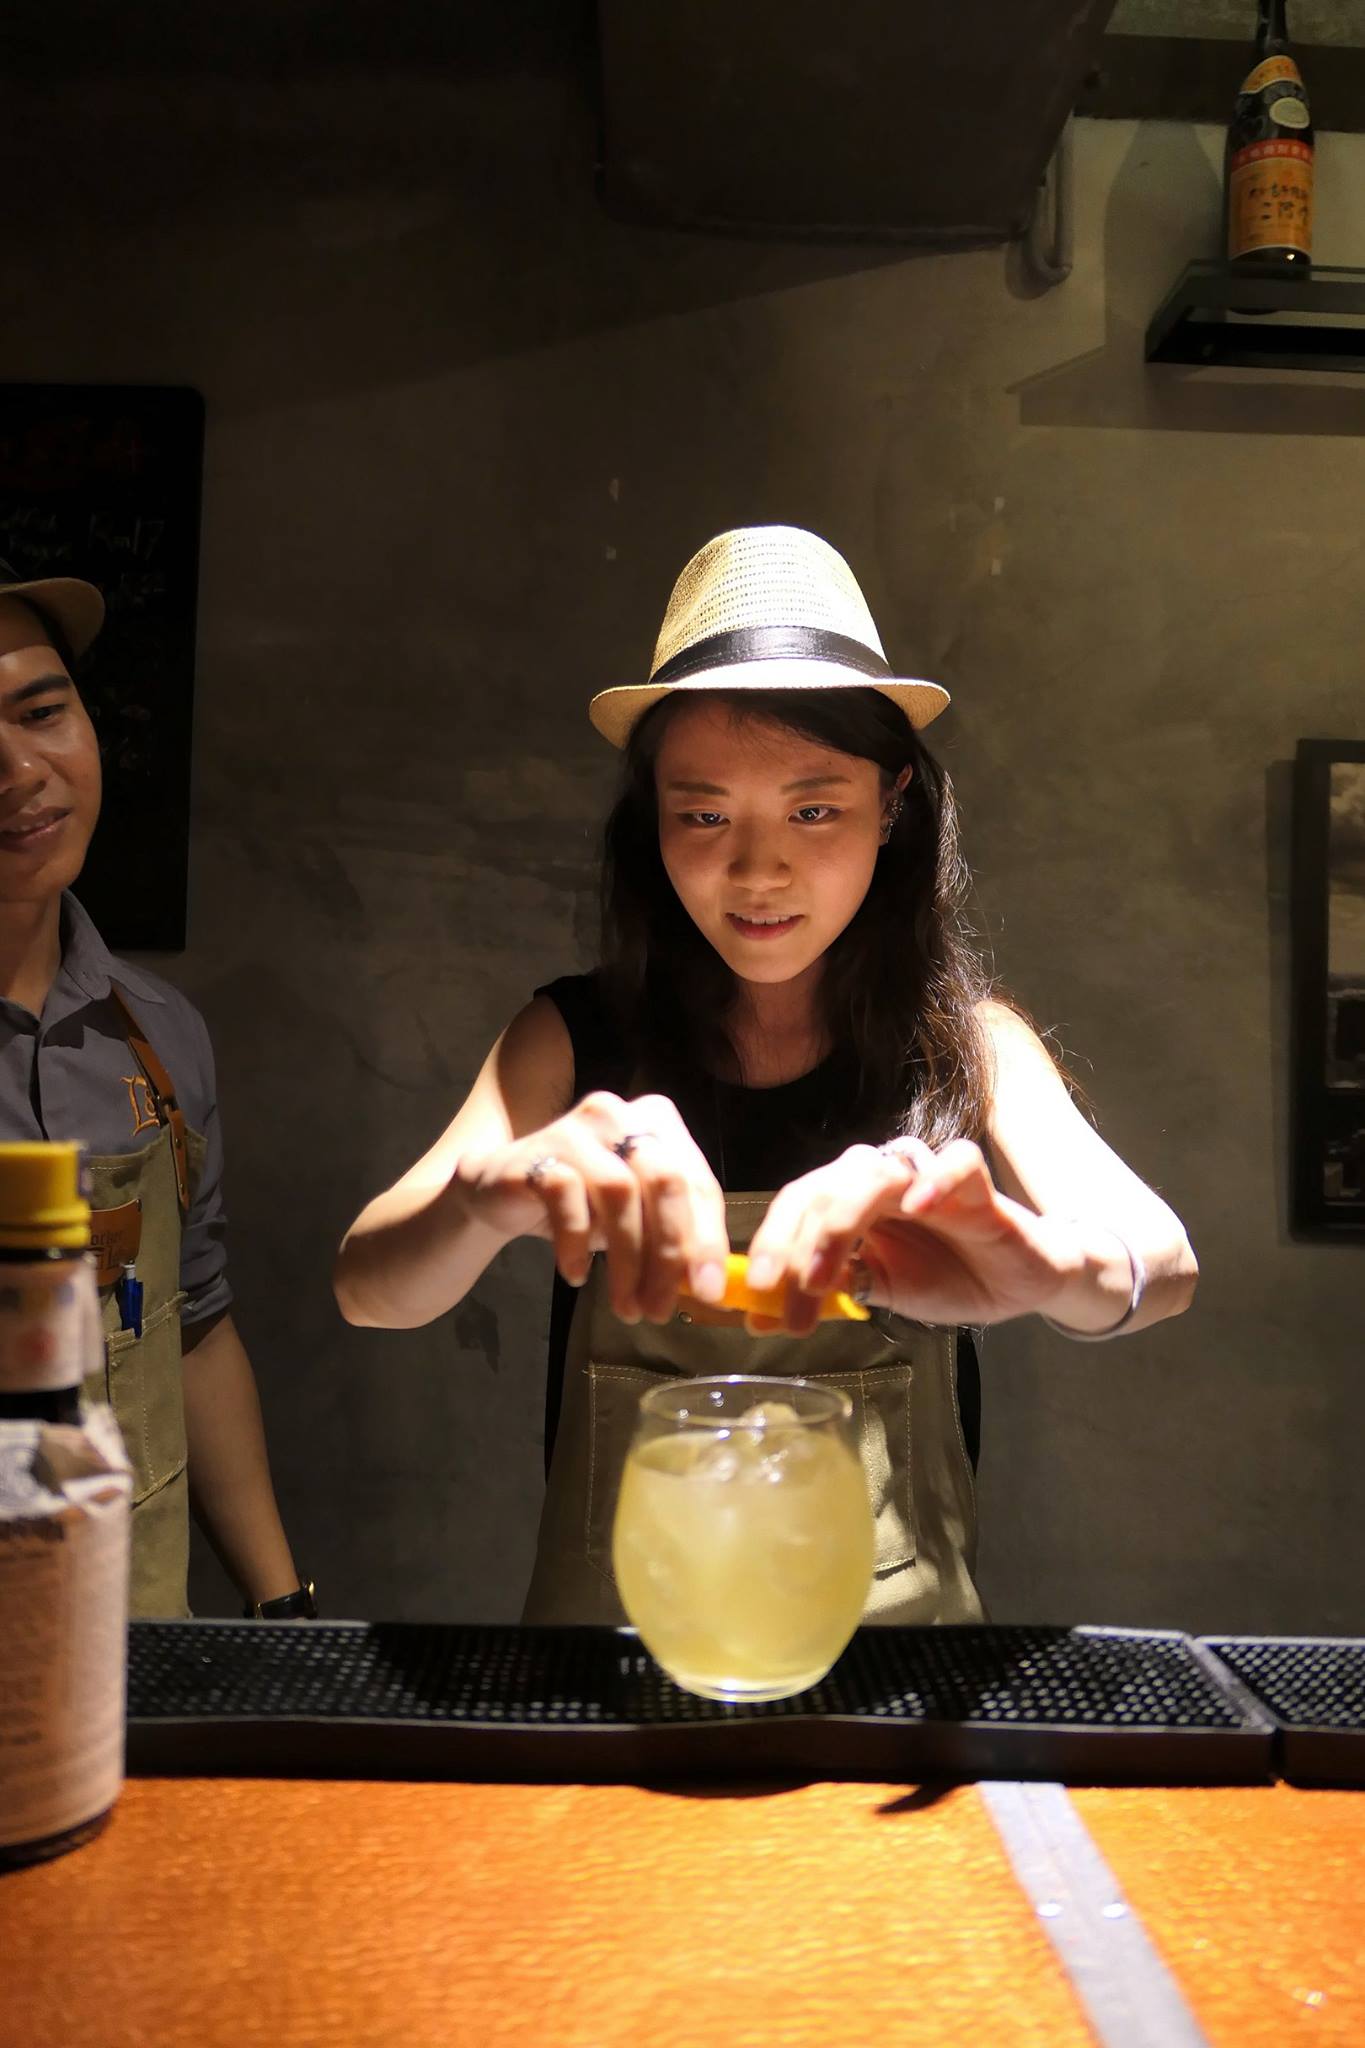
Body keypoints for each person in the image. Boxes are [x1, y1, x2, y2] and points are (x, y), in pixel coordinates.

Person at [335, 526, 1198, 1625]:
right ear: (652, 821)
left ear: (891, 805)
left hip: (894, 1670)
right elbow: (368, 1289)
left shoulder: (971, 1044)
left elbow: (1163, 1264)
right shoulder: (568, 1038)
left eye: (813, 809)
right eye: (703, 814)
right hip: (617, 1654)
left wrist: (1047, 1267)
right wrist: (485, 1194)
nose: (756, 869)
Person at [0, 561, 314, 1620]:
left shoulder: (159, 1035)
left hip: (137, 1651)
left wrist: (280, 1606)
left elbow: (193, 1325)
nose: (18, 769)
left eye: (42, 711)